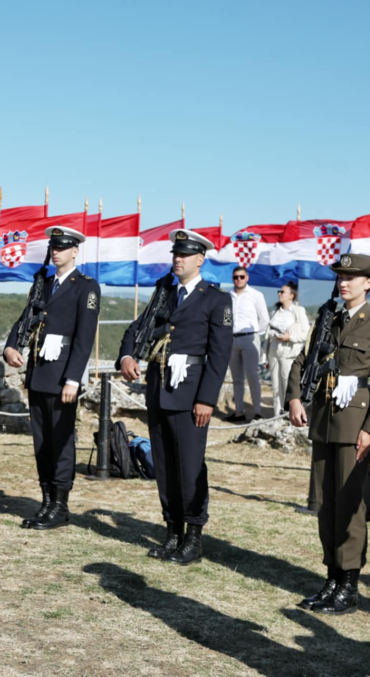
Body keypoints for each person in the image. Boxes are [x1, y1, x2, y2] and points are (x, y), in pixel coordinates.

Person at [117, 229, 234, 565]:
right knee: (165, 466)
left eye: (185, 255)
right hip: (159, 389)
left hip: (191, 394)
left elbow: (219, 354)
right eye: (175, 254)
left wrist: (207, 399)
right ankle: (172, 531)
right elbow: (135, 329)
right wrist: (126, 356)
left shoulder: (215, 299)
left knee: (189, 466)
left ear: (200, 259)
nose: (178, 259)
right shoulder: (162, 292)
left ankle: (193, 537)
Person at [287, 254, 370, 615]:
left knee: (349, 506)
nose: (344, 282)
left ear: (369, 282)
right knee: (325, 503)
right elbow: (304, 358)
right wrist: (295, 396)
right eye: (341, 276)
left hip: (354, 427)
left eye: (352, 277)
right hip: (324, 423)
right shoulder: (327, 317)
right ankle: (331, 577)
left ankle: (349, 583)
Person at [5, 226, 100, 530]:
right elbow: (26, 317)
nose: (55, 251)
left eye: (62, 247)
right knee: (42, 441)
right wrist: (10, 345)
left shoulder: (86, 287)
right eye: (53, 247)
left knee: (60, 441)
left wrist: (74, 378)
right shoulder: (42, 284)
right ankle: (46, 500)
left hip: (62, 378)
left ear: (75, 251)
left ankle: (60, 505)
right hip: (38, 373)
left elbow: (84, 338)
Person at [224, 266, 270, 422]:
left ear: (247, 277)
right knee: (237, 378)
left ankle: (257, 412)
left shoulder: (256, 295)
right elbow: (225, 319)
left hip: (250, 339)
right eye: (235, 277)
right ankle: (239, 412)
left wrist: (255, 334)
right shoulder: (227, 295)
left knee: (252, 376)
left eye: (241, 276)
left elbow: (264, 319)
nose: (238, 279)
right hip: (231, 339)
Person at [266, 281, 309, 417]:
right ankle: (276, 415)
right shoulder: (275, 311)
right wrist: (264, 355)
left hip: (289, 351)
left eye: (282, 292)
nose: (279, 293)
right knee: (276, 386)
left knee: (287, 383)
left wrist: (290, 337)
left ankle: (289, 414)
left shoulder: (298, 311)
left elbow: (306, 334)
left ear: (291, 295)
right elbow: (268, 334)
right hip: (274, 349)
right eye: (279, 292)